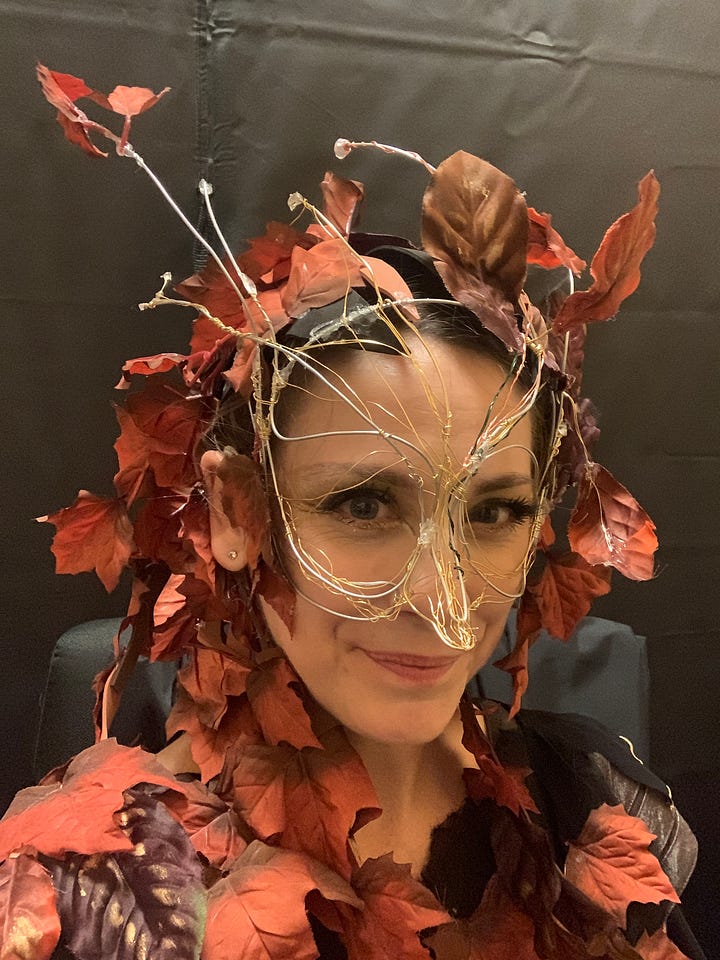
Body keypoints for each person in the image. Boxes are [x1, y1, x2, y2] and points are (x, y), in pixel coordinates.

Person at [0, 84, 705, 957]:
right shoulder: (88, 890)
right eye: (364, 504)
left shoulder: (595, 806)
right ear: (237, 512)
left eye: (493, 511)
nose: (440, 599)